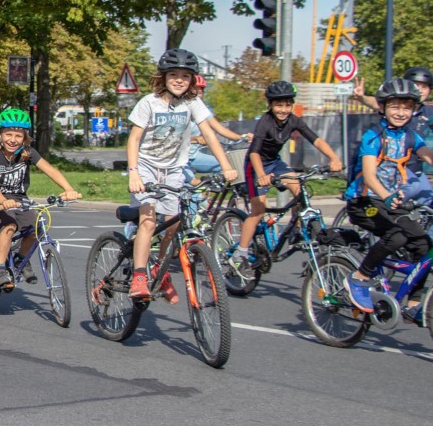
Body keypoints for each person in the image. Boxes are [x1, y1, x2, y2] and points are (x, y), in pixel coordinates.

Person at [126, 49, 238, 301]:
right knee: (149, 220)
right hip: (146, 166)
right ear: (163, 77)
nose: (178, 80)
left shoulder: (192, 103)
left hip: (174, 169)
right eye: (173, 74)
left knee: (175, 224)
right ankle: (140, 276)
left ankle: (160, 270)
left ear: (192, 80)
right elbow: (133, 139)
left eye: (185, 76)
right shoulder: (149, 102)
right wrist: (134, 173)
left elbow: (209, 134)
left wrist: (226, 165)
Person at [341, 78, 433, 315]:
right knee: (397, 236)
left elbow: (429, 156)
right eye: (395, 106)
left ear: (413, 109)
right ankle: (359, 277)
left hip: (390, 203)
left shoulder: (411, 136)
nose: (401, 112)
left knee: (422, 243)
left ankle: (413, 305)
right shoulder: (373, 136)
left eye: (406, 107)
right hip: (365, 203)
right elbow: (370, 176)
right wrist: (387, 196)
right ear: (382, 107)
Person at [231, 81, 343, 268]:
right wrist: (261, 175)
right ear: (270, 105)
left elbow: (316, 139)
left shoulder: (294, 120)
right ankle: (240, 252)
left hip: (274, 162)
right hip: (255, 164)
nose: (284, 109)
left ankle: (297, 229)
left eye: (287, 104)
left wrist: (334, 158)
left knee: (300, 191)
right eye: (278, 105)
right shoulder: (265, 123)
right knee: (258, 211)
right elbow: (254, 152)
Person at [0, 108, 81, 291]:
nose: (13, 140)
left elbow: (51, 170)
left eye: (18, 136)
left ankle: (21, 258)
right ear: (1, 134)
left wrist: (69, 189)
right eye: (8, 134)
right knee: (9, 225)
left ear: (25, 137)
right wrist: (3, 201)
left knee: (36, 227)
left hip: (20, 199)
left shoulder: (28, 153)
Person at [353, 66, 433, 203]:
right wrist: (362, 98)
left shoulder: (428, 112)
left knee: (428, 200)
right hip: (392, 167)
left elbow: (427, 154)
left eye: (424, 87)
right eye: (416, 85)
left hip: (416, 166)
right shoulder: (376, 134)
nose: (401, 113)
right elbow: (377, 102)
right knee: (411, 189)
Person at [182, 74, 251, 181]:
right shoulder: (179, 109)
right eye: (194, 91)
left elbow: (220, 128)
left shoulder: (201, 110)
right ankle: (199, 195)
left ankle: (210, 194)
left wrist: (242, 137)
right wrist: (195, 139)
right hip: (180, 159)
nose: (197, 95)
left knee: (228, 168)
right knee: (193, 188)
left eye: (200, 92)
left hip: (195, 156)